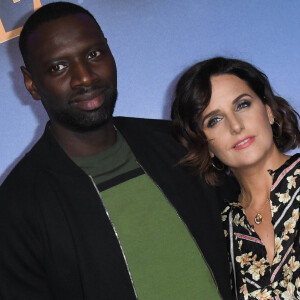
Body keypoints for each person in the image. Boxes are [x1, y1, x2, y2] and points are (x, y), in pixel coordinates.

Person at [0, 3, 234, 300]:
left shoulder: (181, 143)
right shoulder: (16, 208)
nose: (84, 77)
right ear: (31, 83)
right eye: (58, 67)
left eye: (94, 54)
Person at [171, 56, 300, 299]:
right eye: (214, 120)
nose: (236, 126)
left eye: (242, 105)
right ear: (205, 145)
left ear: (269, 111)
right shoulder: (218, 231)